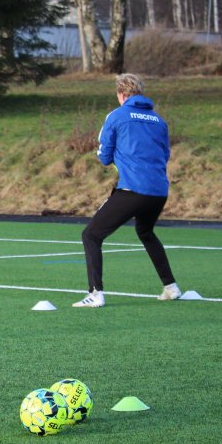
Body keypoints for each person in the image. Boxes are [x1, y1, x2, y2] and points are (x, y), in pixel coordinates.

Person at [74, 73, 181, 308]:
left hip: (133, 189)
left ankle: (95, 294)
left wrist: (115, 159)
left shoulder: (117, 115)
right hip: (159, 191)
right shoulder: (159, 120)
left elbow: (104, 155)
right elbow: (165, 154)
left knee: (91, 235)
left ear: (121, 94)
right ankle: (171, 287)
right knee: (146, 232)